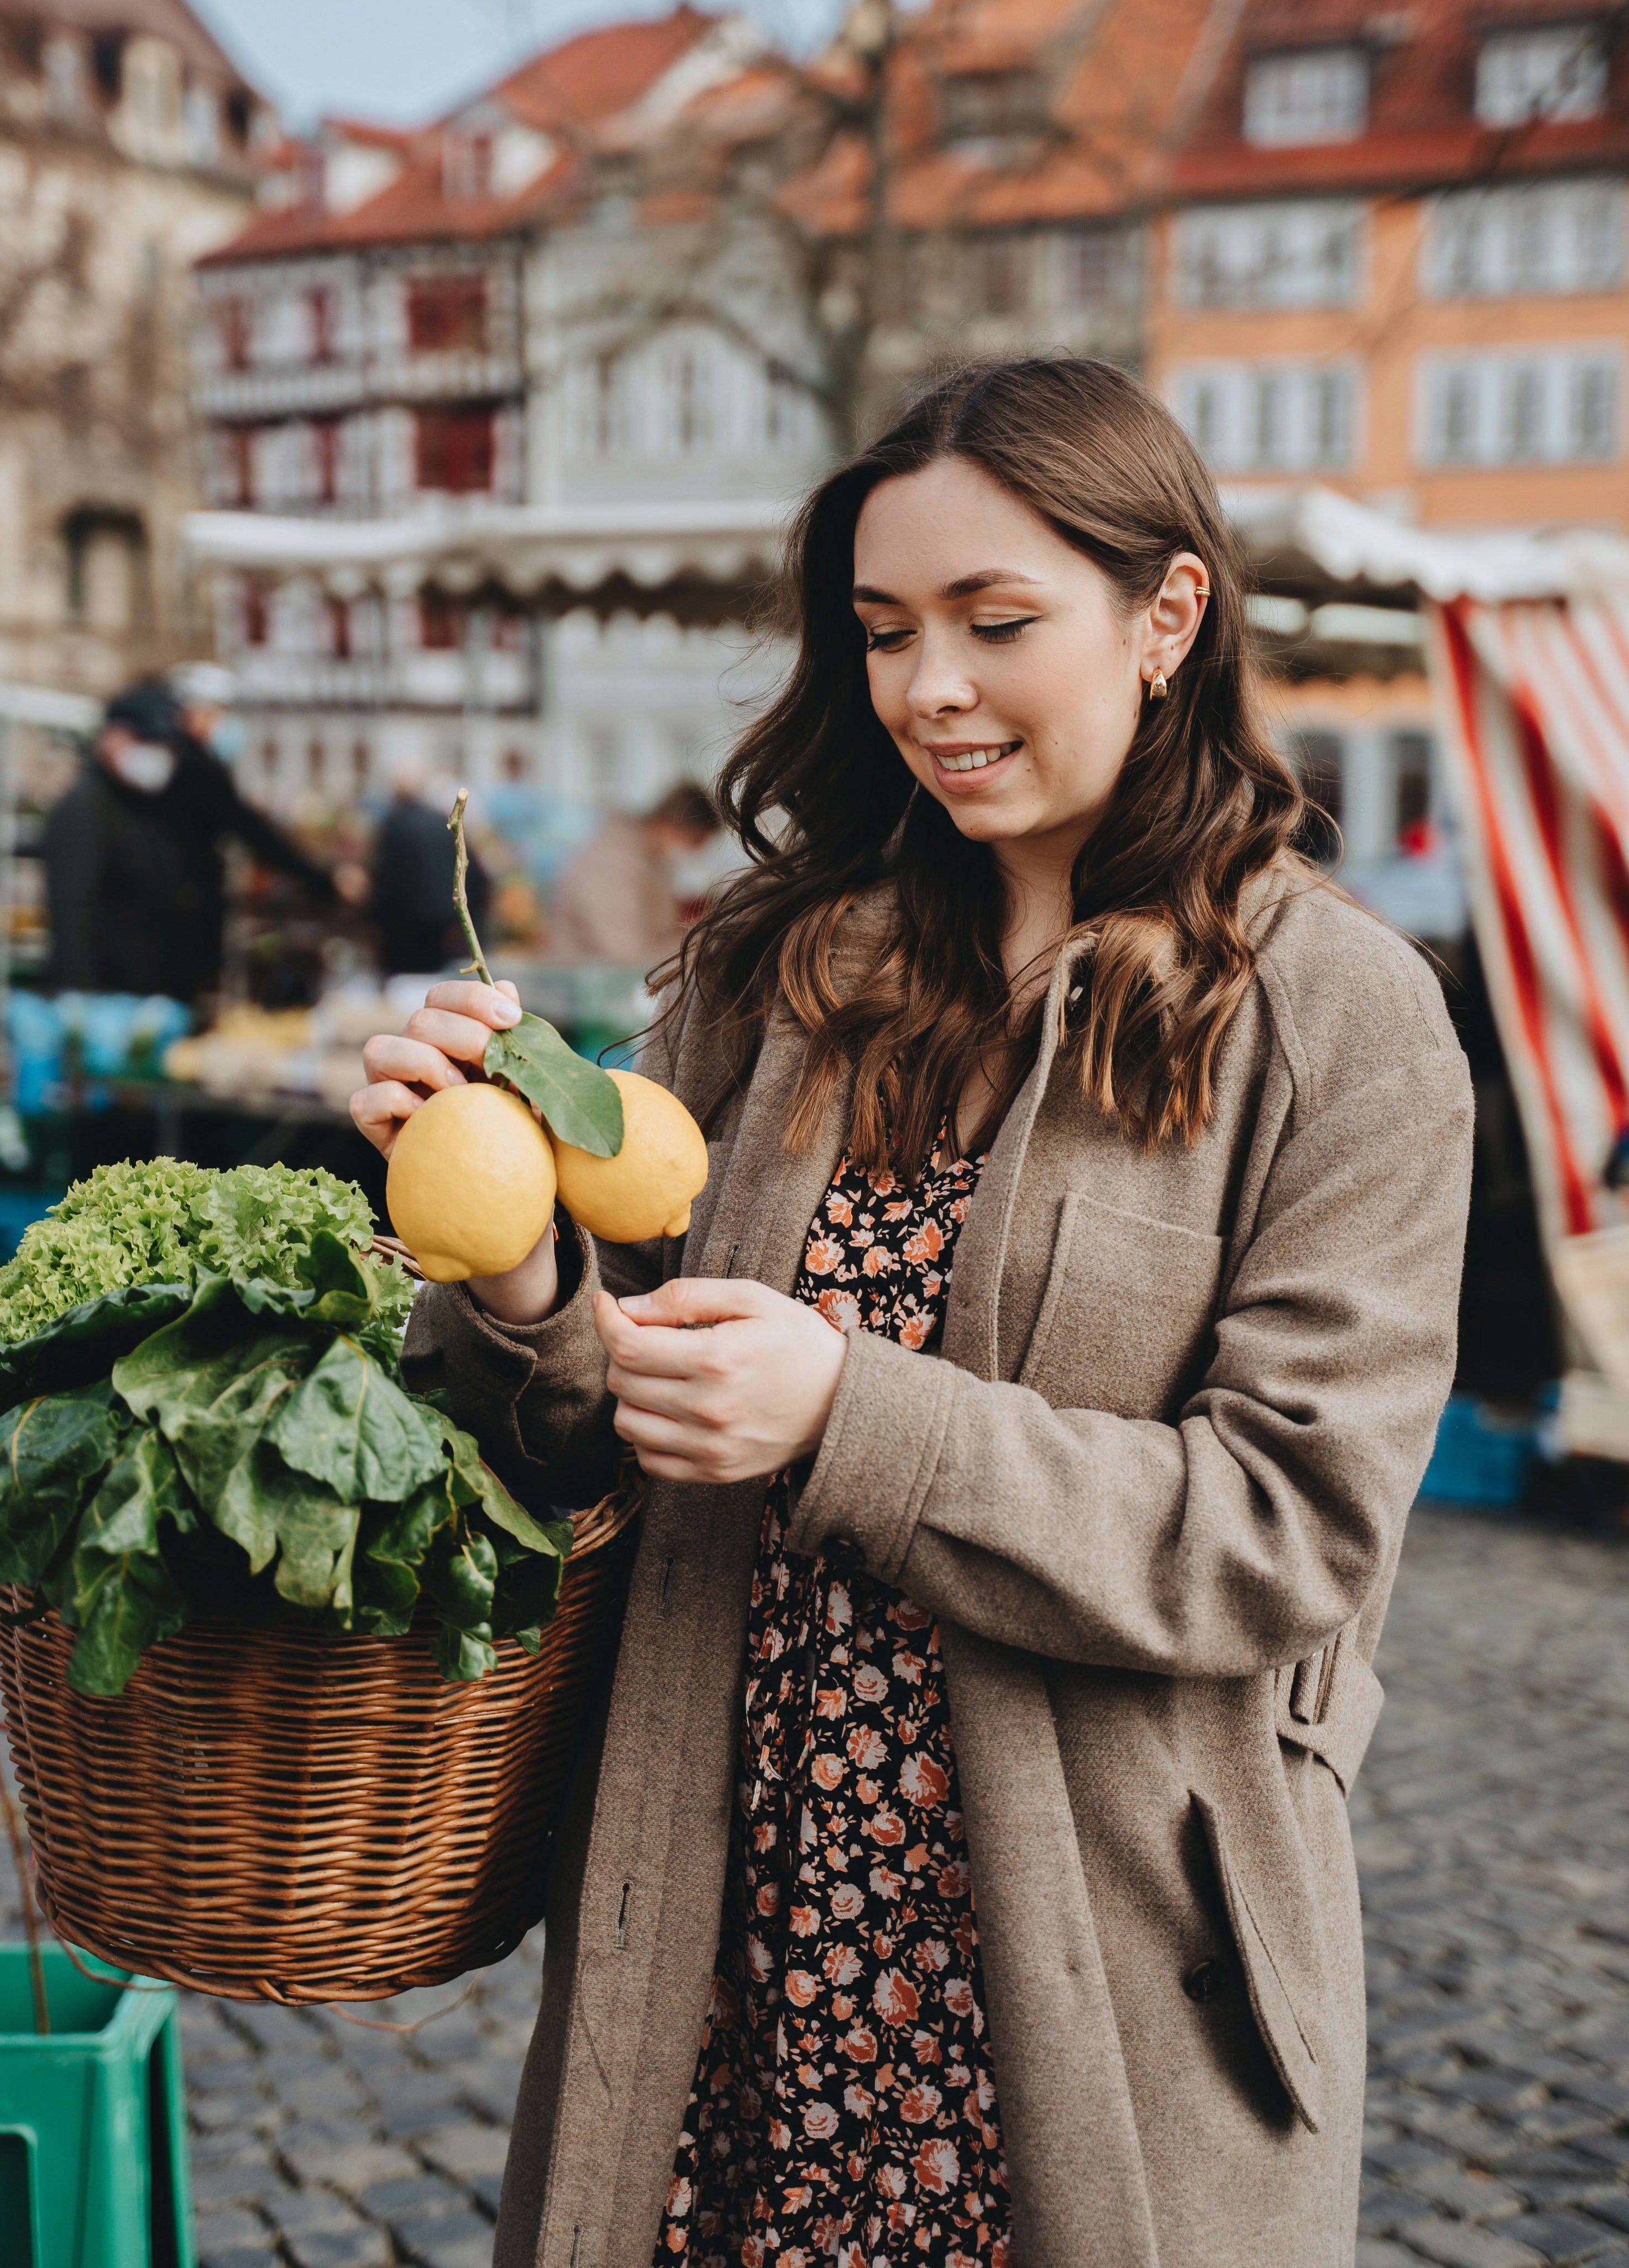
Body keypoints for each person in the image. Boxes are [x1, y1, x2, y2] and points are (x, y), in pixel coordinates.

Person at [353, 360, 1473, 2268]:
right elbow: (576, 1438)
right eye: (883, 633)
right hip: (733, 1936)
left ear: (1168, 615)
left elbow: (1291, 1530)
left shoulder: (1340, 1015)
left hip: (1083, 1978)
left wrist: (843, 1418)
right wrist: (521, 1268)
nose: (927, 689)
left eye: (994, 623)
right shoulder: (775, 967)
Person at [44, 679, 340, 1003]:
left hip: (155, 984)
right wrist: (81, 1000)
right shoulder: (87, 808)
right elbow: (74, 911)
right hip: (118, 994)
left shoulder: (142, 800)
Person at [544, 780, 720, 965]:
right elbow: (629, 955)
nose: (697, 852)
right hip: (590, 984)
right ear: (670, 825)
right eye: (696, 842)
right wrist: (706, 941)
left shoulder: (648, 857)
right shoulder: (615, 859)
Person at [367, 769, 489, 981]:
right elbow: (475, 873)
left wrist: (374, 918)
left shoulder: (394, 825)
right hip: (446, 925)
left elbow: (386, 880)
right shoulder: (442, 822)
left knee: (406, 985)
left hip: (405, 930)